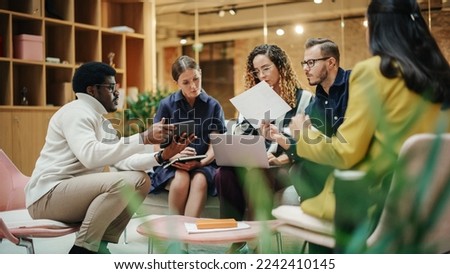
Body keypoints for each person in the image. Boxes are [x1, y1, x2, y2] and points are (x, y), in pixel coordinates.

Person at [288, 0, 450, 252]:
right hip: (435, 209)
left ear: (377, 28)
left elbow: (345, 153)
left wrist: (303, 135)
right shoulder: (442, 77)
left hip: (376, 207)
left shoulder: (373, 73)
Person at [24, 61, 194, 254]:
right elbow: (90, 156)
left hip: (69, 194)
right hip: (48, 196)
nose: (117, 93)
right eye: (111, 87)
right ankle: (83, 250)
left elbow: (123, 161)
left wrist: (162, 156)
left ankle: (100, 245)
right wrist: (144, 137)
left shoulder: (98, 119)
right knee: (127, 182)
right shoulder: (76, 112)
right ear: (92, 90)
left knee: (141, 181)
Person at [214, 44, 312, 254]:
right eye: (257, 72)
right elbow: (240, 136)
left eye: (266, 68)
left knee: (261, 170)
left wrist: (280, 159)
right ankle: (237, 236)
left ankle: (257, 239)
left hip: (283, 164)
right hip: (254, 161)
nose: (261, 76)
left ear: (281, 67)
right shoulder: (252, 100)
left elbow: (307, 145)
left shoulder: (304, 100)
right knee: (224, 174)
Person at [149, 55, 227, 220]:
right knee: (181, 179)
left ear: (200, 73)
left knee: (200, 180)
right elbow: (156, 145)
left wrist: (201, 162)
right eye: (186, 82)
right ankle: (176, 238)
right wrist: (174, 155)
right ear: (177, 83)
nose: (193, 86)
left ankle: (187, 236)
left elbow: (216, 145)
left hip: (203, 163)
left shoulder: (213, 106)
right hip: (173, 162)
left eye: (196, 79)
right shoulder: (166, 105)